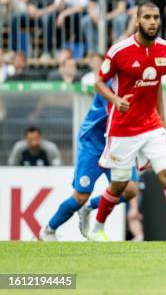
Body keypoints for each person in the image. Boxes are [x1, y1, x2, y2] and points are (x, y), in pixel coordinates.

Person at [91, 2, 166, 242]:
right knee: (120, 185)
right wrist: (115, 99)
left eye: (156, 17)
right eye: (148, 17)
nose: (153, 22)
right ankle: (96, 227)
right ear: (138, 20)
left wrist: (163, 122)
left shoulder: (164, 49)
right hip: (123, 128)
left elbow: (157, 85)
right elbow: (98, 82)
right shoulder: (120, 50)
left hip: (151, 126)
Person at [39, 90, 140, 241]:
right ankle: (49, 230)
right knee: (80, 197)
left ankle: (89, 207)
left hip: (115, 145)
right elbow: (118, 115)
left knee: (130, 190)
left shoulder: (140, 83)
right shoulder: (109, 85)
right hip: (93, 145)